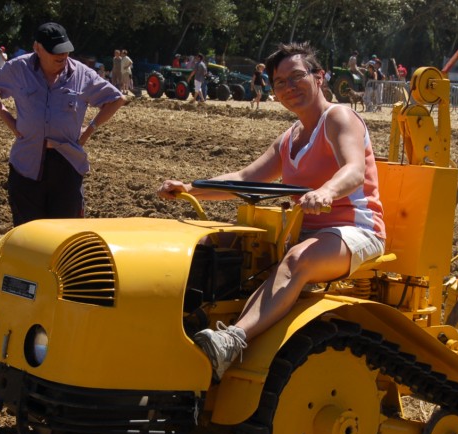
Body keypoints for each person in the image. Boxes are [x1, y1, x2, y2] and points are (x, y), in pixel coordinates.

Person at [157, 42, 386, 381]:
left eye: (297, 77)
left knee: (296, 260)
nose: (289, 88)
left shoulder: (338, 117)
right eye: (280, 83)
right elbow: (247, 178)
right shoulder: (290, 137)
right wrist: (190, 188)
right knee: (222, 247)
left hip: (355, 230)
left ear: (319, 77)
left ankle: (231, 342)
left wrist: (325, 191)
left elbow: (353, 171)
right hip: (304, 230)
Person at [0, 22, 126, 227]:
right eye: (56, 52)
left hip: (66, 164)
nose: (62, 56)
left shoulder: (82, 73)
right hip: (26, 164)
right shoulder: (18, 68)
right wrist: (9, 121)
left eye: (65, 50)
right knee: (28, 234)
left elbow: (116, 99)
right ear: (37, 48)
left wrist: (89, 129)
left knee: (65, 235)